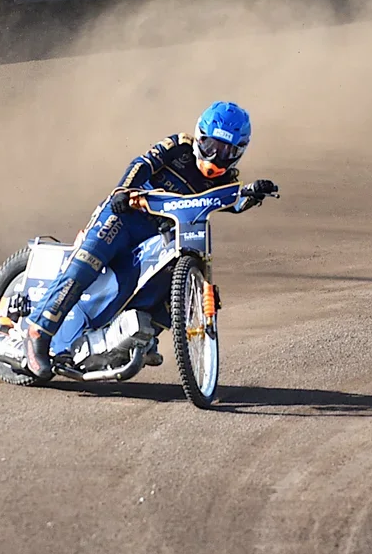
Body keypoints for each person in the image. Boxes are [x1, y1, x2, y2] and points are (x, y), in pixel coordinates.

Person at [25, 100, 279, 376]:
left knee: (171, 281)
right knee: (84, 265)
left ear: (238, 152)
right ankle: (38, 333)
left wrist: (254, 193)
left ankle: (142, 337)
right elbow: (143, 163)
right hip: (124, 216)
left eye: (225, 150)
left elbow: (233, 201)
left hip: (159, 235)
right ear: (199, 136)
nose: (215, 156)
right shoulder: (179, 146)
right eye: (210, 146)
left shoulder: (227, 179)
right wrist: (124, 189)